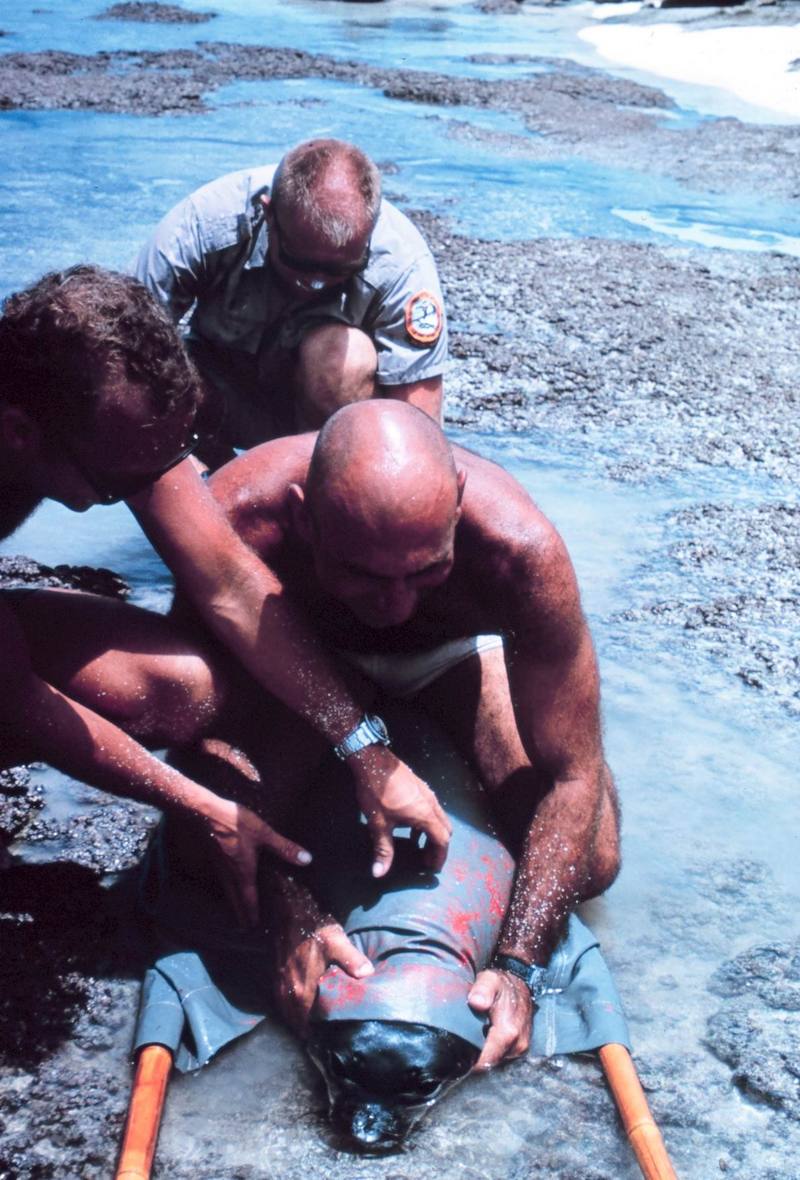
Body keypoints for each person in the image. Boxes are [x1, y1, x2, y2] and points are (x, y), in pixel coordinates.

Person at [0, 265, 451, 927]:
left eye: (163, 462)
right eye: (117, 486)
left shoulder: (105, 435)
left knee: (189, 689)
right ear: (19, 434)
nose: (148, 489)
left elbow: (233, 586)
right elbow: (13, 694)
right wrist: (200, 806)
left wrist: (363, 746)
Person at [195, 399, 622, 1070]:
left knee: (591, 862)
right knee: (207, 849)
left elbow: (574, 775)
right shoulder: (235, 518)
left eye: (426, 571)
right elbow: (196, 741)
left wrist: (518, 965)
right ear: (305, 517)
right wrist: (290, 905)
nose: (394, 605)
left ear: (457, 505)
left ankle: (413, 727)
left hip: (448, 658)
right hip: (303, 672)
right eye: (360, 574)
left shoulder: (521, 550)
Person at [135, 138, 447, 462]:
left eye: (340, 270)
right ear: (269, 215)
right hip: (214, 398)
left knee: (345, 358)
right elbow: (126, 354)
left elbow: (421, 439)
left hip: (330, 423)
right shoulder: (201, 227)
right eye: (301, 264)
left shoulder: (402, 266)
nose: (315, 283)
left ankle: (317, 488)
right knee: (149, 370)